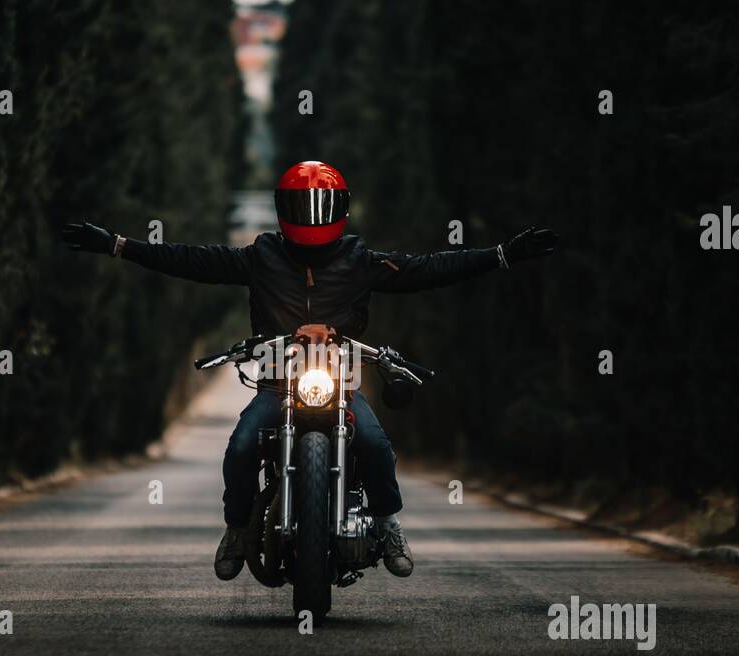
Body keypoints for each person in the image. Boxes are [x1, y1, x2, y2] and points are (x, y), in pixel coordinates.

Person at [63, 160, 556, 581]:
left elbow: (426, 269)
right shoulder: (263, 256)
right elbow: (191, 260)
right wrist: (119, 245)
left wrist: (502, 254)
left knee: (377, 446)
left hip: (339, 384)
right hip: (278, 383)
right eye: (302, 207)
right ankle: (237, 530)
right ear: (284, 210)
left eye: (320, 206)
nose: (311, 217)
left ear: (339, 209)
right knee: (238, 448)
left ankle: (387, 525)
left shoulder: (360, 259)